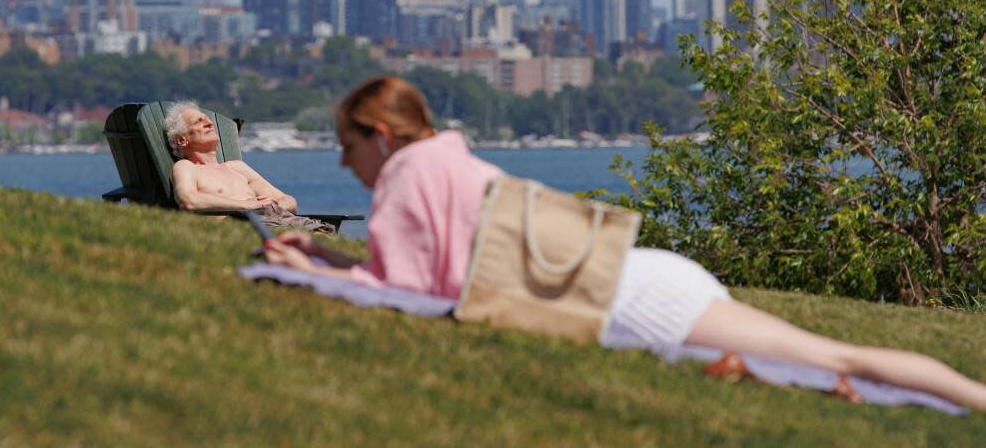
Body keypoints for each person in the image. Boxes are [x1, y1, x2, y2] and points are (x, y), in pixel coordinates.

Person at [263, 76, 986, 412]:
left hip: (632, 301)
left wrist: (311, 268)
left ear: (380, 136)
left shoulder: (400, 179)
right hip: (638, 278)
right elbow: (429, 269)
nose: (342, 162)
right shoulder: (446, 160)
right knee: (828, 358)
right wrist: (332, 259)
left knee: (838, 356)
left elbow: (412, 297)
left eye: (346, 144)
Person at [165, 102, 298, 214]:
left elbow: (288, 200)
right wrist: (246, 206)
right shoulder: (186, 167)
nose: (210, 123)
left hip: (281, 221)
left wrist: (274, 206)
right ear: (182, 140)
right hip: (249, 228)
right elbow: (188, 200)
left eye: (208, 119)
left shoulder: (237, 167)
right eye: (199, 121)